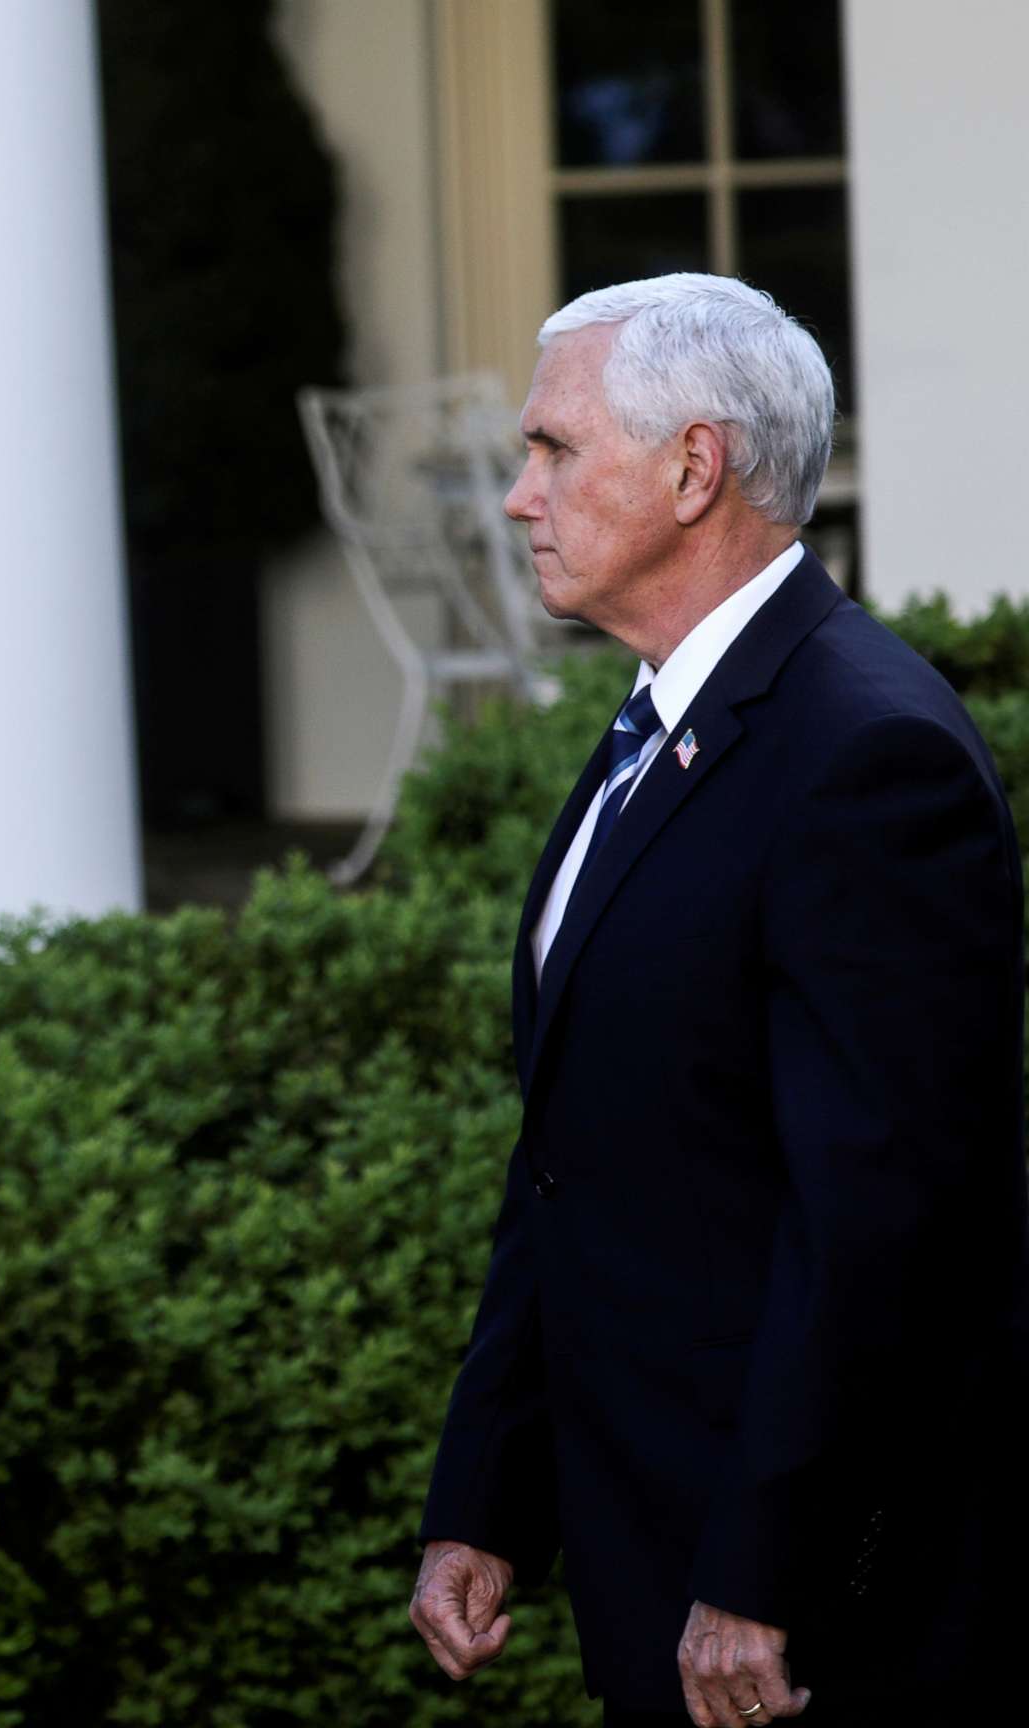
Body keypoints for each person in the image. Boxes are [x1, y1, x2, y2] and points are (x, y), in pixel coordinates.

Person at [406, 274, 1029, 1727]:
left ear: (694, 469)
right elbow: (570, 1155)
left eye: (554, 449)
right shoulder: (662, 719)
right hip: (650, 1547)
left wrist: (767, 1569)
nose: (519, 496)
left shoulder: (867, 755)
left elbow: (876, 1218)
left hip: (794, 1616)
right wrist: (485, 1497)